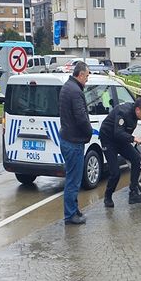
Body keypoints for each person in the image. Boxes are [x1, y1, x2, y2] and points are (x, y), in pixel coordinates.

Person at [58, 61, 92, 225]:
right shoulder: (75, 91)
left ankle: (74, 210)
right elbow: (81, 118)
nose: (87, 79)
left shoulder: (67, 87)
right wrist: (89, 132)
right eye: (86, 76)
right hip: (73, 142)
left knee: (73, 178)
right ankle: (70, 215)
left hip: (67, 138)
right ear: (80, 75)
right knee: (73, 180)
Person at [100, 97, 141, 207]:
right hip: (108, 140)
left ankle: (133, 193)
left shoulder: (135, 115)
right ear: (137, 110)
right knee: (115, 173)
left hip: (121, 140)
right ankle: (107, 196)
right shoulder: (124, 113)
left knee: (136, 158)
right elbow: (117, 133)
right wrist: (133, 138)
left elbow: (122, 135)